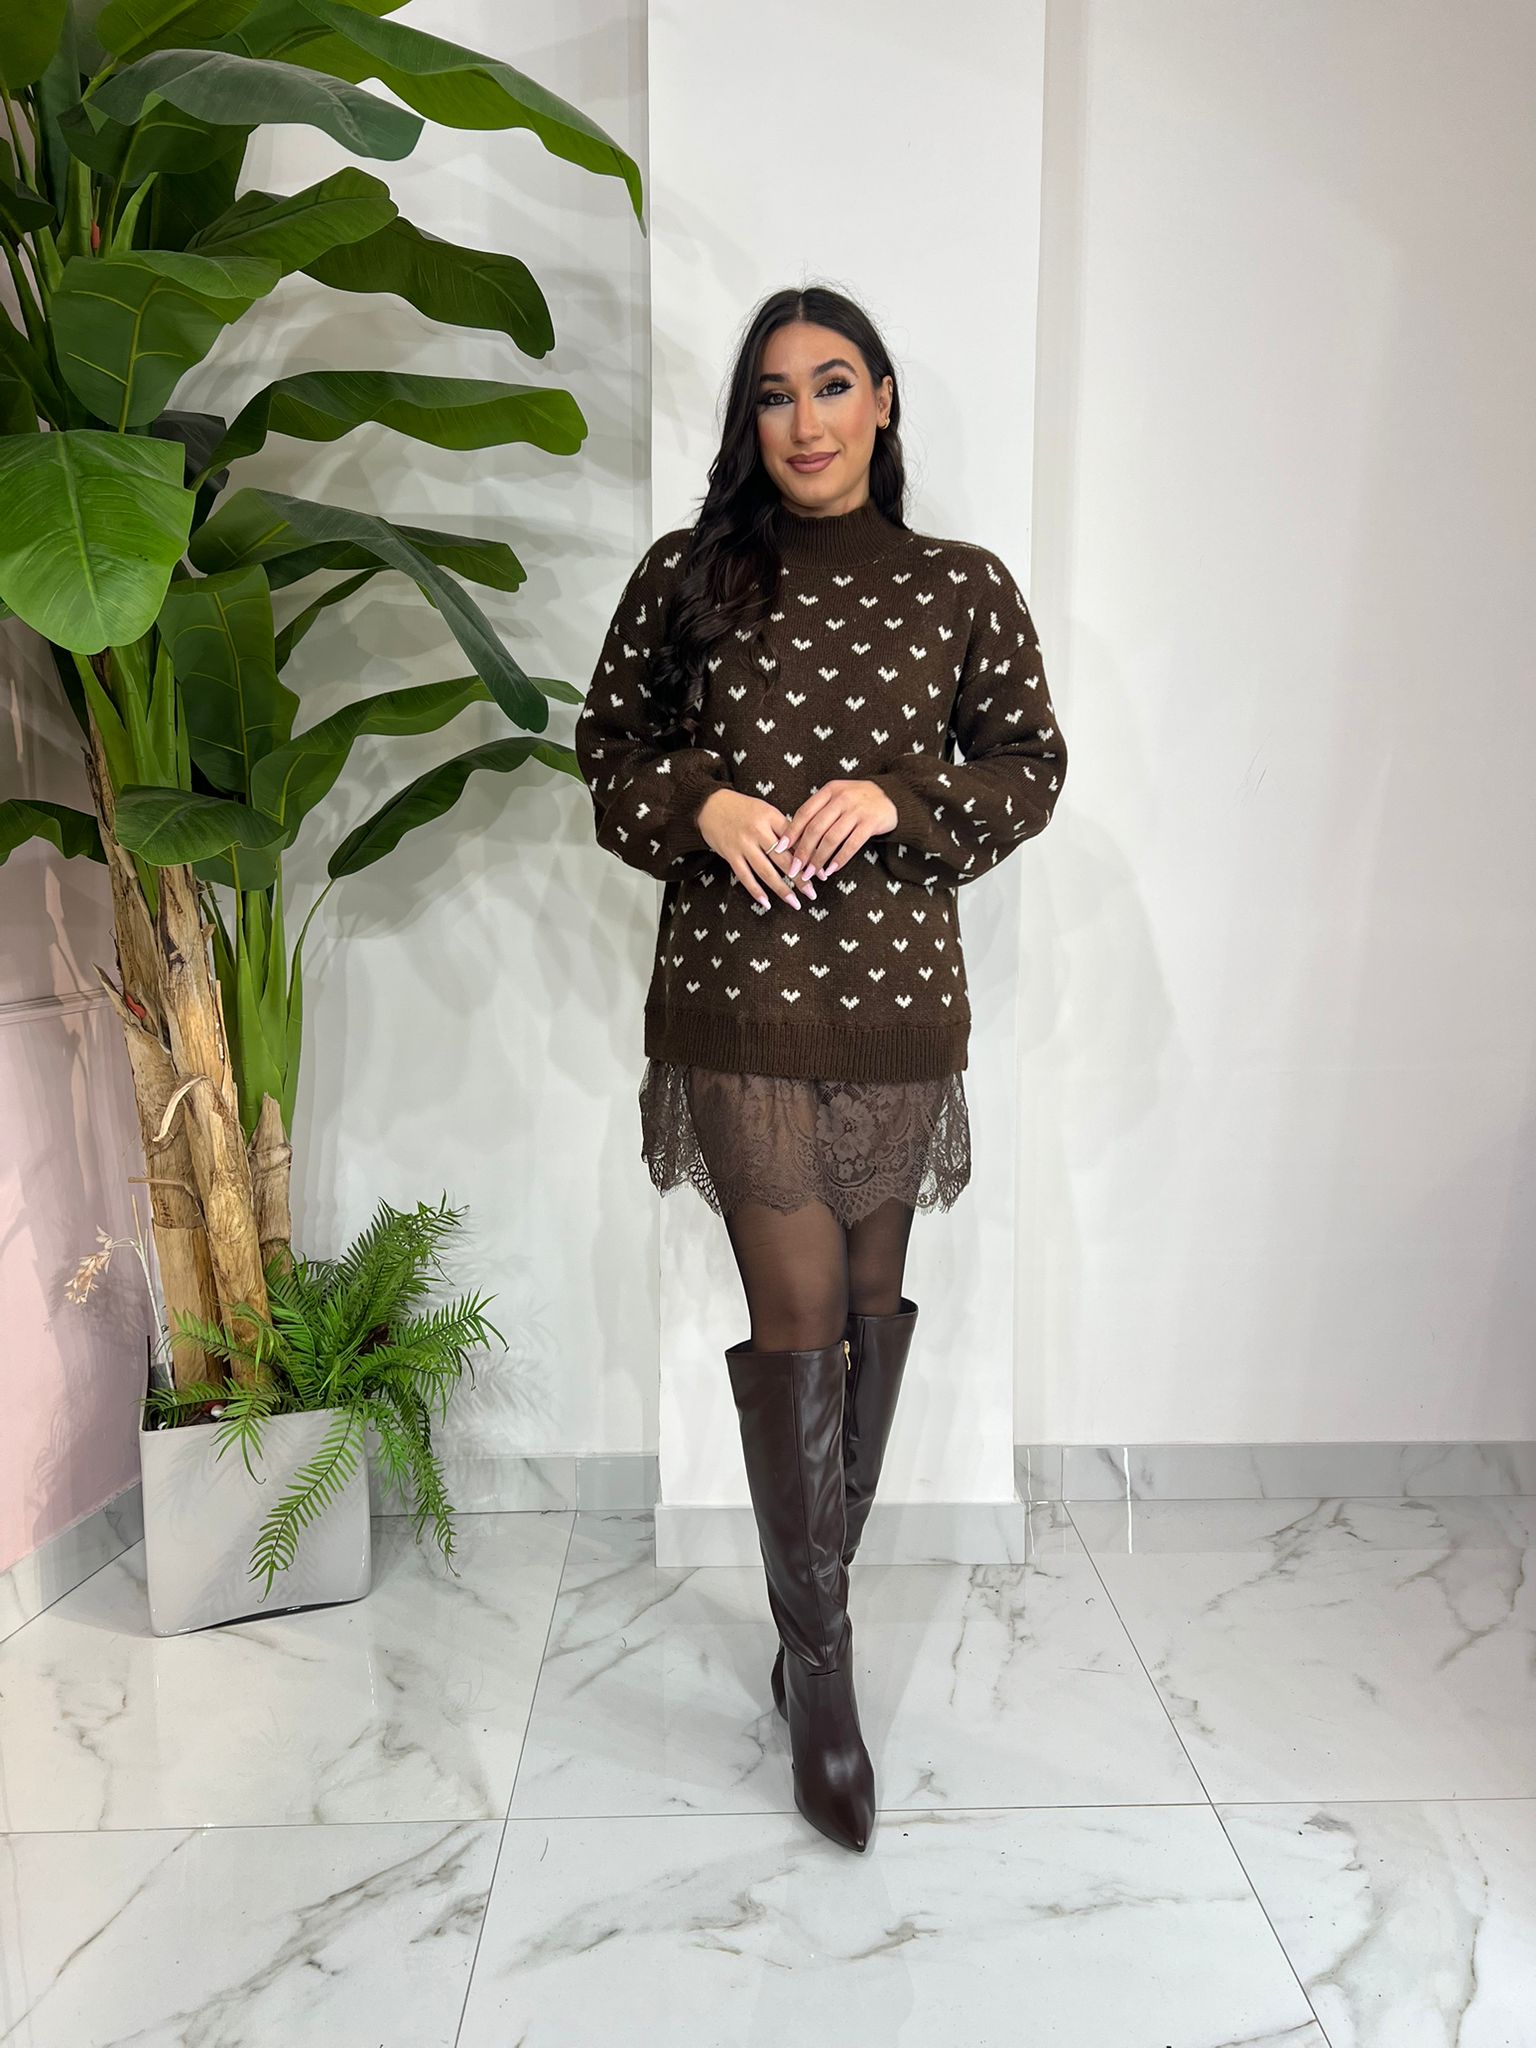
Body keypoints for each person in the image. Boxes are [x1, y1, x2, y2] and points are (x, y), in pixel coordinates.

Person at [575, 284, 1068, 1854]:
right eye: (776, 394)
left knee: (867, 1312)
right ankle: (830, 1691)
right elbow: (607, 754)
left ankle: (807, 1632)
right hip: (739, 997)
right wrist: (703, 802)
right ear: (751, 420)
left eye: (834, 384)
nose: (806, 420)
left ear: (884, 400)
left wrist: (902, 798)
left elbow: (1032, 767)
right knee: (797, 1322)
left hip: (897, 1006)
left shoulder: (961, 587)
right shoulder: (687, 576)